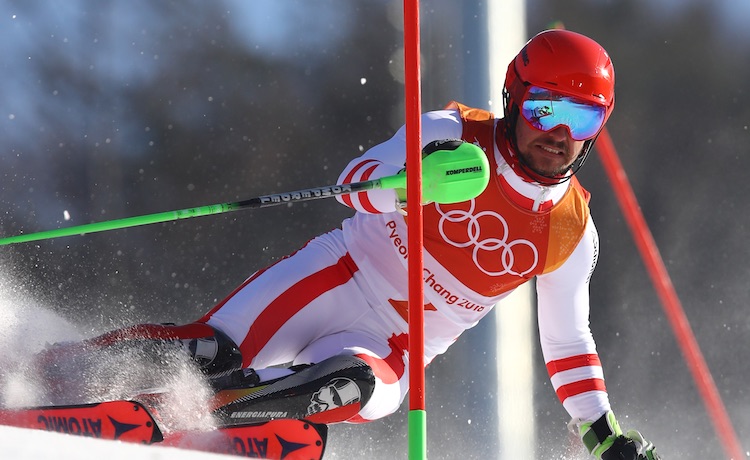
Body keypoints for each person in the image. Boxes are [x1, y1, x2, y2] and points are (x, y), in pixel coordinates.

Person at [38, 29, 659, 459]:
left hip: (396, 347)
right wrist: (412, 185)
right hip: (336, 276)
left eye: (582, 119)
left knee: (348, 388)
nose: (559, 135)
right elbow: (353, 187)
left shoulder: (571, 231)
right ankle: (46, 376)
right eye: (548, 109)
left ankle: (192, 423)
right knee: (209, 352)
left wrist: (598, 431)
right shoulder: (450, 132)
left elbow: (569, 340)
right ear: (517, 99)